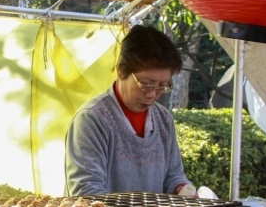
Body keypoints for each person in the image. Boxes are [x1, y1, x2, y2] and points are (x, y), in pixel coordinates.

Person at [64, 24, 196, 197]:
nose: (151, 94)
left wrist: (181, 188)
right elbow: (86, 190)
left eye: (162, 86)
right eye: (146, 84)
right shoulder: (92, 119)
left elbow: (173, 175)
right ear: (121, 70)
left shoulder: (163, 119)